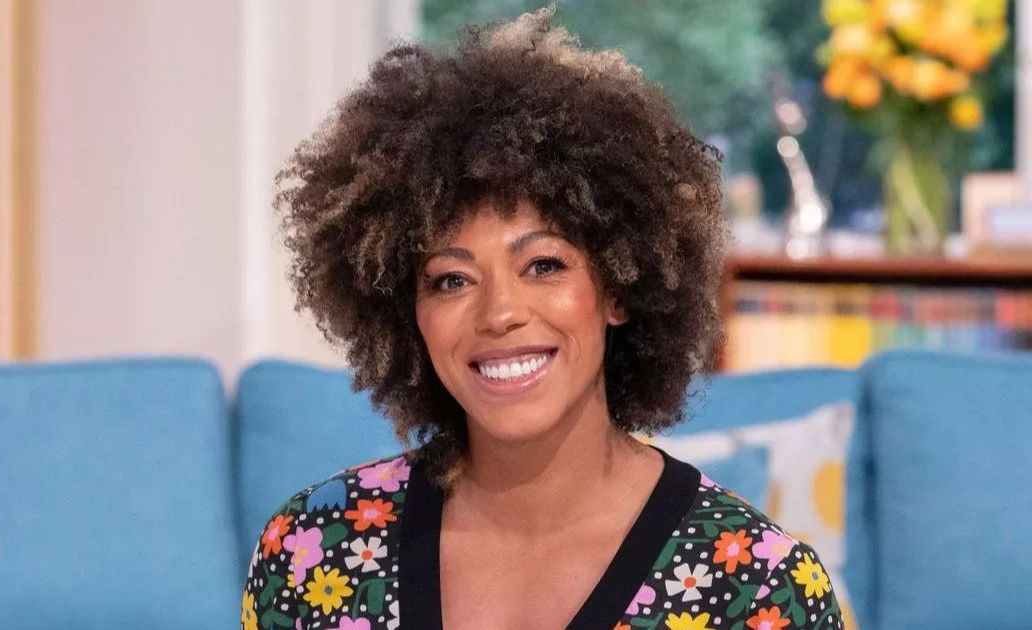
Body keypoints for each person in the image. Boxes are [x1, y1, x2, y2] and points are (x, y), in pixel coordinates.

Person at [242, 6, 843, 630]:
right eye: (451, 280)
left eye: (543, 265)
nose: (500, 313)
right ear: (406, 314)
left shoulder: (757, 587)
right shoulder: (311, 555)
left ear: (618, 288)